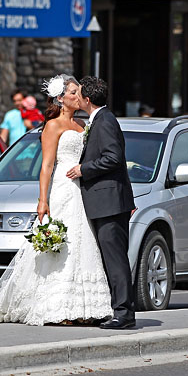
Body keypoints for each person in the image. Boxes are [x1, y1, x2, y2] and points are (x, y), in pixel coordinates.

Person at [0, 75, 112, 326]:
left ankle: (84, 306)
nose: (78, 96)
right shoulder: (53, 126)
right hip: (62, 187)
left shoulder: (83, 125)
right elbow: (47, 166)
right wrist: (43, 200)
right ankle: (58, 307)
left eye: (78, 92)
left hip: (81, 188)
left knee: (83, 241)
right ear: (60, 99)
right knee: (64, 242)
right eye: (73, 92)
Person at [66, 76, 136, 330]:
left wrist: (84, 168)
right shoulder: (97, 120)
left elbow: (113, 158)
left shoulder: (105, 121)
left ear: (87, 99)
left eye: (79, 94)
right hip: (103, 202)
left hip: (110, 202)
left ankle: (124, 314)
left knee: (115, 259)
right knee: (109, 258)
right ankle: (118, 309)